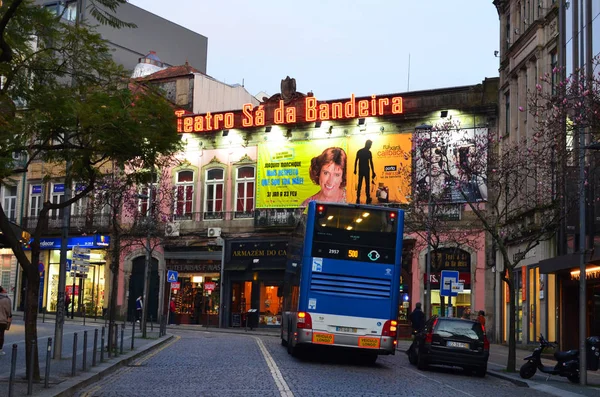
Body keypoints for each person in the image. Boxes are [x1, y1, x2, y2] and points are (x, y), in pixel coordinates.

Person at [354, 140, 376, 204]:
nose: (370, 146)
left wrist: (355, 169)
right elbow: (371, 163)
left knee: (360, 184)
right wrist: (373, 171)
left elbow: (356, 161)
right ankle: (367, 197)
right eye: (370, 145)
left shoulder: (360, 151)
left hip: (361, 169)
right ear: (368, 144)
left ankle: (358, 198)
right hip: (366, 169)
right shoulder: (368, 152)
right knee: (367, 184)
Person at [0, 286, 12, 355]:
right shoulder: (6, 300)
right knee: (1, 335)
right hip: (2, 320)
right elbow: (8, 311)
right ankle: (0, 349)